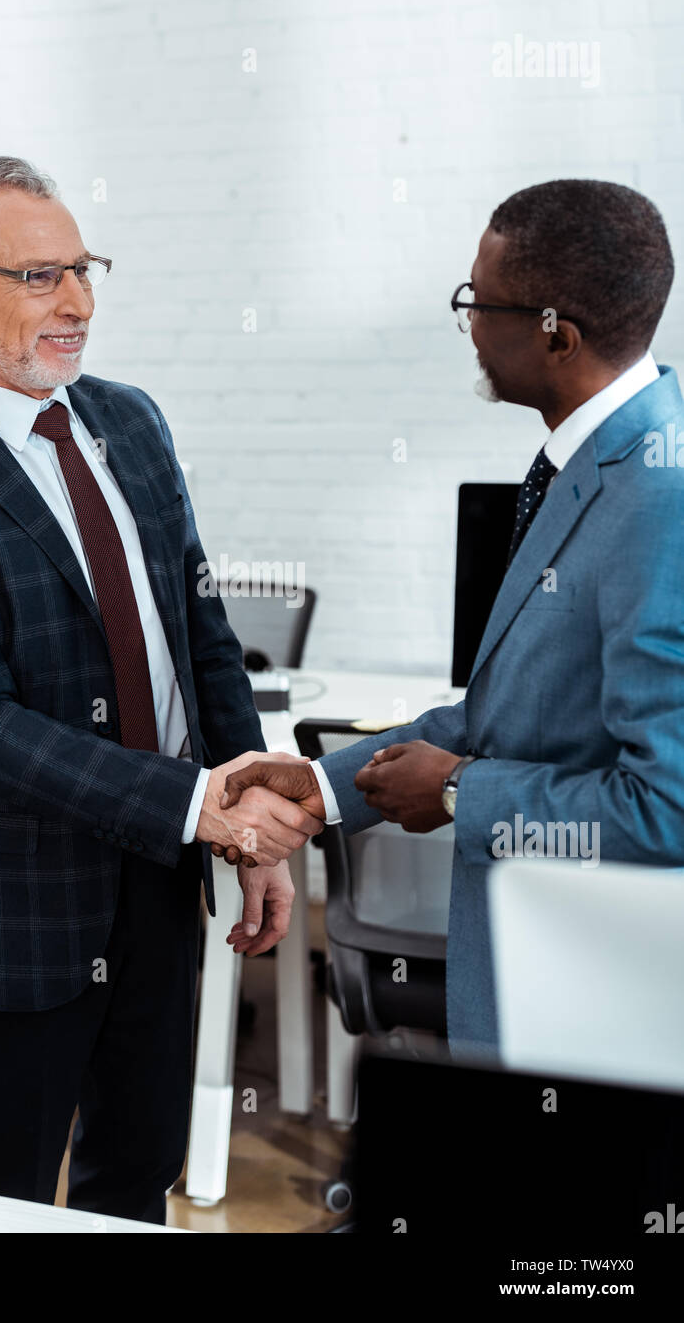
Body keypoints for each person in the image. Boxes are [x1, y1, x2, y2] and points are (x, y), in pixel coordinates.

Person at [0, 155, 322, 1221]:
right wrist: (198, 805)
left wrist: (253, 819)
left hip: (159, 885)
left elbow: (201, 636)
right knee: (8, 1205)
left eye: (84, 270)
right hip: (18, 910)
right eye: (41, 275)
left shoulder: (131, 421)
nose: (78, 303)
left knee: (131, 1188)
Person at [219, 179, 684, 1056]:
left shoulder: (658, 499)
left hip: (595, 1012)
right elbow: (507, 715)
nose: (468, 323)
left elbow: (668, 807)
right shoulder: (588, 465)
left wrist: (455, 791)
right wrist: (318, 788)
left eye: (479, 301)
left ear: (556, 333)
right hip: (531, 985)